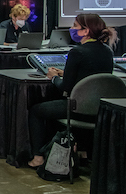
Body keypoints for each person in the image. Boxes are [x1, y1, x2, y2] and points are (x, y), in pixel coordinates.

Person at [27, 13, 116, 168]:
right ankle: (83, 151)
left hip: (76, 108)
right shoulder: (107, 51)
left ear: (86, 31)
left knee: (36, 111)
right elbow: (91, 76)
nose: (71, 29)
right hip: (99, 109)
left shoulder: (77, 52)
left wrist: (54, 77)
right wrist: (65, 73)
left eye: (75, 26)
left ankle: (37, 157)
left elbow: (65, 88)